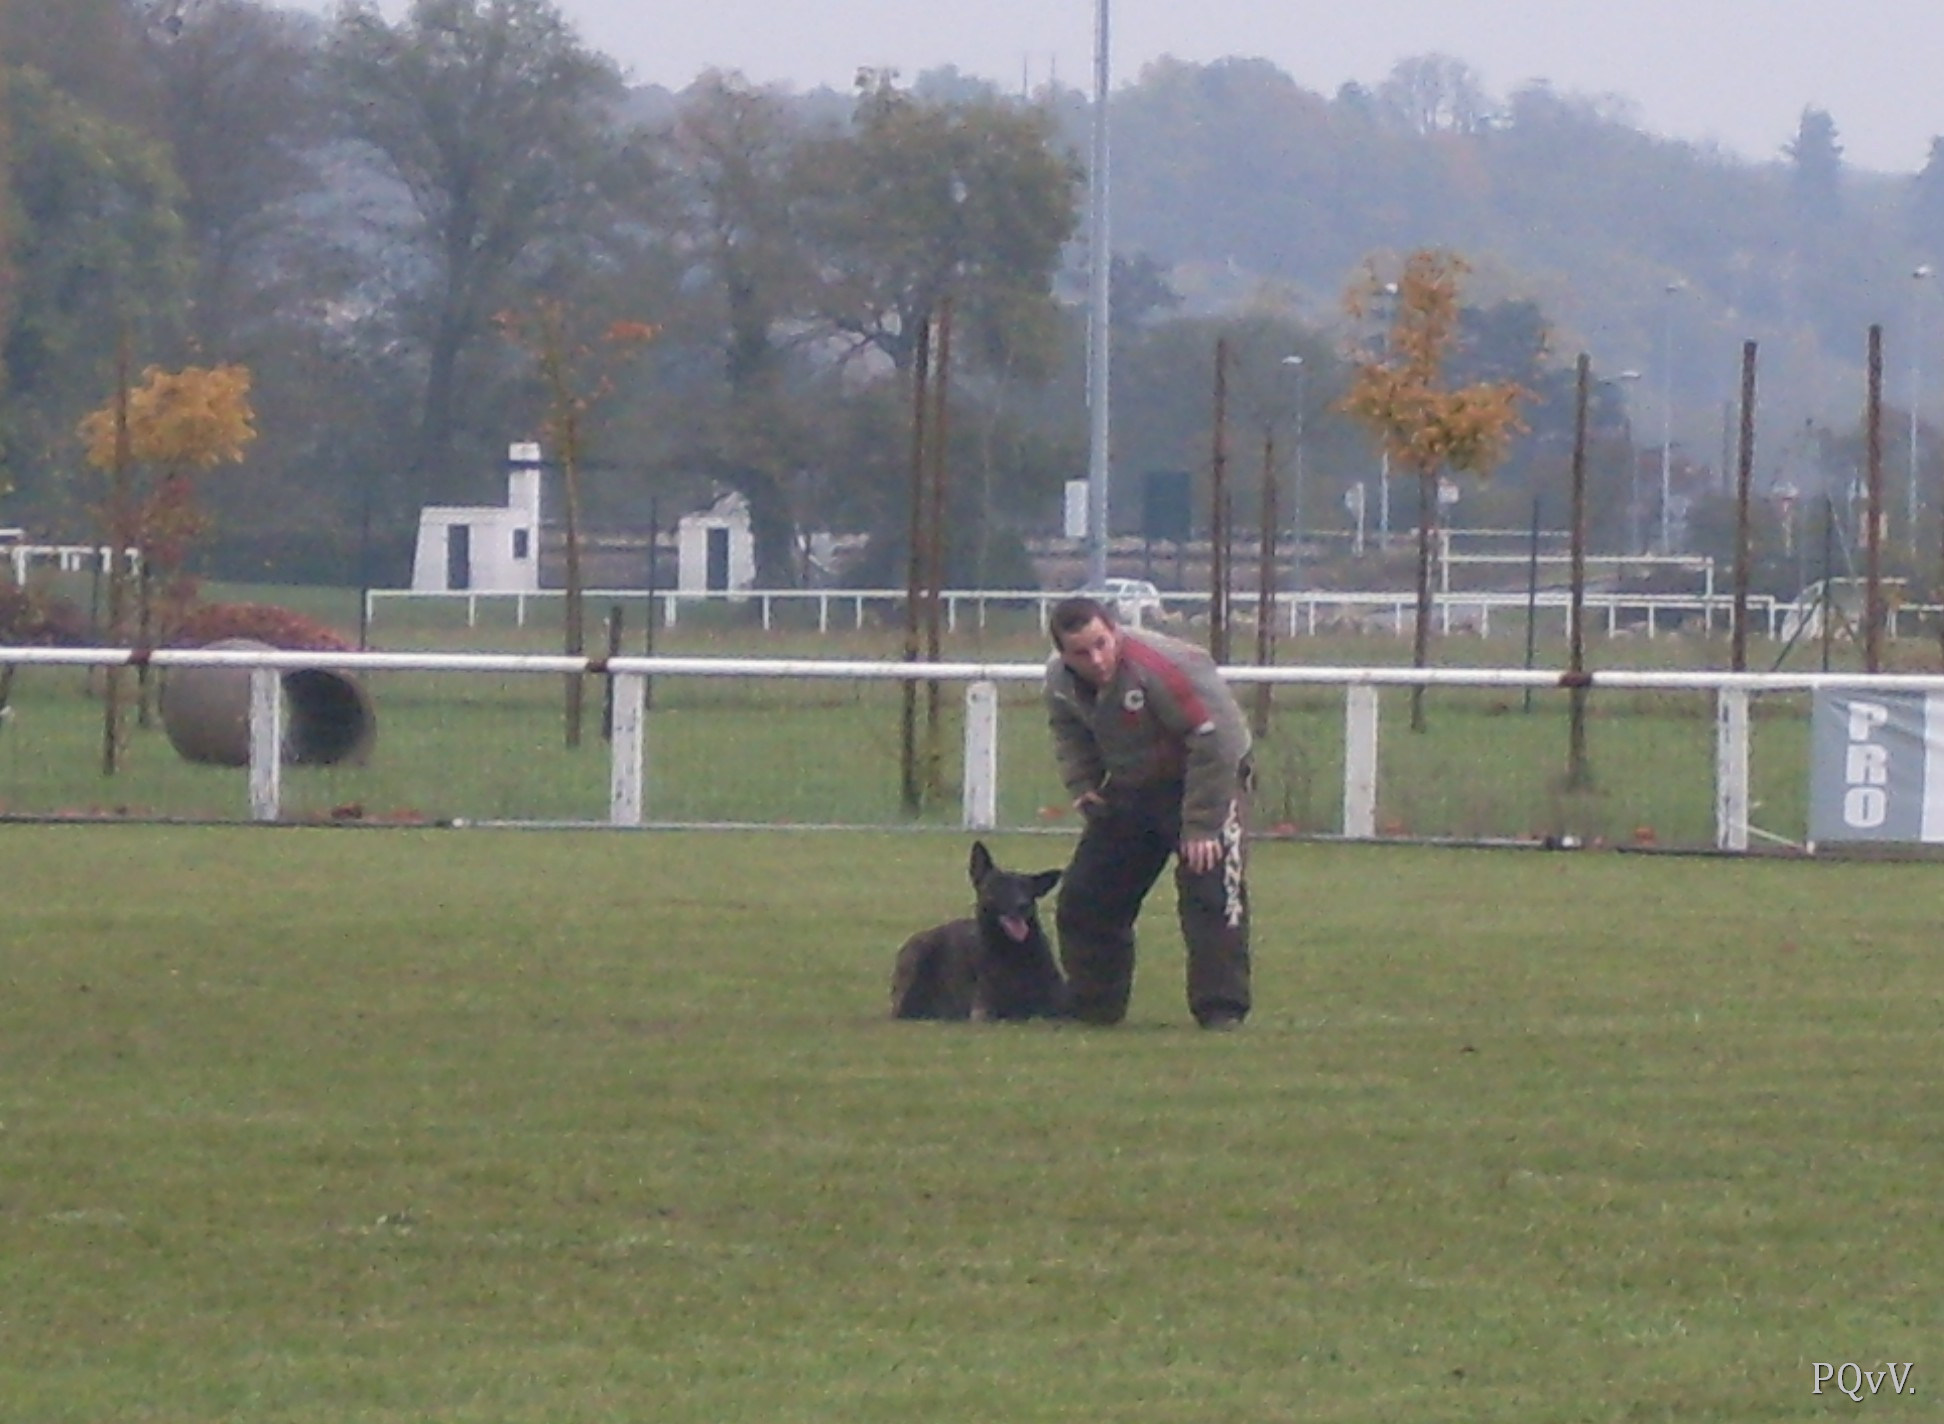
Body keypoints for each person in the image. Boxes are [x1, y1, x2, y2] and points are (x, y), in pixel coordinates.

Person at [1043, 595, 1253, 1029]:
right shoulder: (1060, 681)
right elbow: (1067, 729)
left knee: (1210, 894)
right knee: (1087, 898)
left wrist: (1201, 826)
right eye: (1082, 652)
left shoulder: (1162, 667)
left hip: (1205, 783)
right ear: (1063, 653)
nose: (1097, 659)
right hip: (1134, 788)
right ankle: (1093, 1008)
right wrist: (1083, 786)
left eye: (1102, 643)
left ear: (1115, 630)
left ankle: (1221, 1010)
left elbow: (1220, 742)